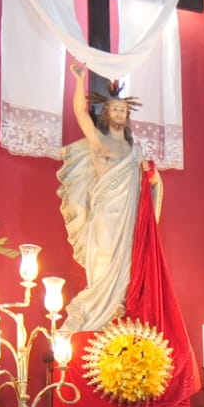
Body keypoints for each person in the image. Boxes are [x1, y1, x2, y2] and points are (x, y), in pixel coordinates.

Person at [58, 66, 160, 339]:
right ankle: (93, 317)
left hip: (128, 218)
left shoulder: (135, 151)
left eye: (123, 111)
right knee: (103, 261)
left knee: (127, 266)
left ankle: (117, 315)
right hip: (105, 214)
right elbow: (80, 112)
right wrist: (79, 80)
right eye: (114, 109)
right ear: (106, 113)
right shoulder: (98, 141)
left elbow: (148, 185)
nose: (118, 114)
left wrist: (152, 179)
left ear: (127, 116)